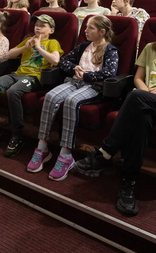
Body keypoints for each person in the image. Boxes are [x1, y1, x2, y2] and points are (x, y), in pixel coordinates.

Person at [76, 11, 156, 216]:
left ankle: (105, 153)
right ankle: (128, 183)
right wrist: (147, 94)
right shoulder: (151, 48)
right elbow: (138, 79)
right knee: (141, 118)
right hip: (146, 101)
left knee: (136, 98)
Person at [28, 16, 118, 181]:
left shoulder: (110, 50)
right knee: (50, 96)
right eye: (86, 27)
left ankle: (66, 154)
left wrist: (87, 76)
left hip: (94, 86)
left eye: (90, 28)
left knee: (71, 101)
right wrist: (74, 67)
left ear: (102, 32)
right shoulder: (83, 46)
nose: (85, 30)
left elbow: (109, 72)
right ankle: (42, 147)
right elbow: (63, 62)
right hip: (74, 82)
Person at [0, 14, 63, 157]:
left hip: (35, 77)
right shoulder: (29, 40)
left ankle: (17, 135)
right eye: (36, 25)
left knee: (13, 92)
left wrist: (38, 47)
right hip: (17, 74)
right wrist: (25, 47)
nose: (38, 28)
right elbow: (9, 55)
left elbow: (55, 60)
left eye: (42, 26)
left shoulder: (52, 42)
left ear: (51, 30)